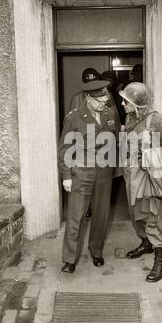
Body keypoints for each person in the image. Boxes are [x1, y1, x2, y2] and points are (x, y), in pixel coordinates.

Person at [119, 82, 162, 283]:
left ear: (137, 104)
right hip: (133, 175)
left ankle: (160, 258)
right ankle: (146, 242)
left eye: (126, 101)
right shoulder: (130, 118)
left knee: (154, 215)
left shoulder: (156, 120)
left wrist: (152, 157)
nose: (122, 104)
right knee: (135, 212)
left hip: (151, 177)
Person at [58, 80, 120, 273]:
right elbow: (64, 149)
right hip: (82, 173)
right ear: (88, 98)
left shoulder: (110, 114)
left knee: (101, 215)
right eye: (100, 100)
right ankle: (70, 259)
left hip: (104, 173)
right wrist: (66, 175)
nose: (104, 103)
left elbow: (116, 139)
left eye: (106, 98)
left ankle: (96, 251)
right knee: (76, 216)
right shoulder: (74, 118)